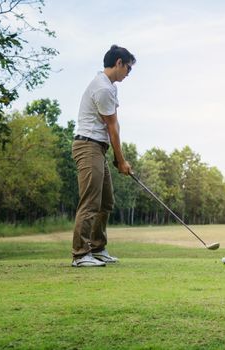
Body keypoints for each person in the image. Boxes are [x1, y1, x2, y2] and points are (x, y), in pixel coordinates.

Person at [71, 45, 135, 267]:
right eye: (128, 68)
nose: (128, 73)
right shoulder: (103, 89)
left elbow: (114, 124)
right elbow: (112, 128)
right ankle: (80, 254)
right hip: (88, 146)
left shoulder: (110, 87)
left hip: (98, 148)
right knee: (90, 201)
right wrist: (121, 160)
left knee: (106, 201)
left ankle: (97, 248)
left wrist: (118, 158)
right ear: (119, 63)